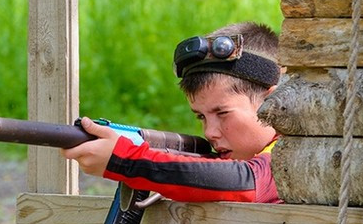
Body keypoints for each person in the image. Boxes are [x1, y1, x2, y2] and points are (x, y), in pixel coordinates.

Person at [61, 21, 283, 207]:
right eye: (201, 117)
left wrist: (125, 161)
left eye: (222, 113)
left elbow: (244, 182)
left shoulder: (295, 152)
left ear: (272, 103)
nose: (210, 132)